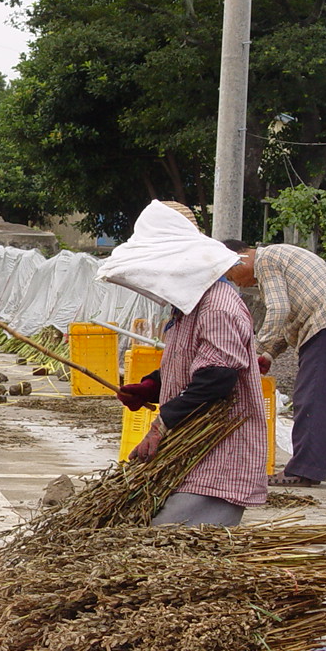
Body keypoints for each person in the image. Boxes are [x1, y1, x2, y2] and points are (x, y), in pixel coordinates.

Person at [102, 201, 268, 527]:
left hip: (216, 452)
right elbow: (191, 365)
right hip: (190, 452)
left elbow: (216, 379)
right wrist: (151, 386)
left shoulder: (217, 306)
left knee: (167, 538)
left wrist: (161, 423)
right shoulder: (189, 306)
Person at [222, 240, 326, 487]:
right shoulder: (278, 258)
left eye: (231, 276)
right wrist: (268, 354)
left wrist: (254, 349)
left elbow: (278, 310)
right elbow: (290, 317)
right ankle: (313, 468)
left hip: (325, 327)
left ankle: (301, 471)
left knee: (310, 400)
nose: (237, 284)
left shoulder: (266, 261)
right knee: (324, 402)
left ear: (238, 260)